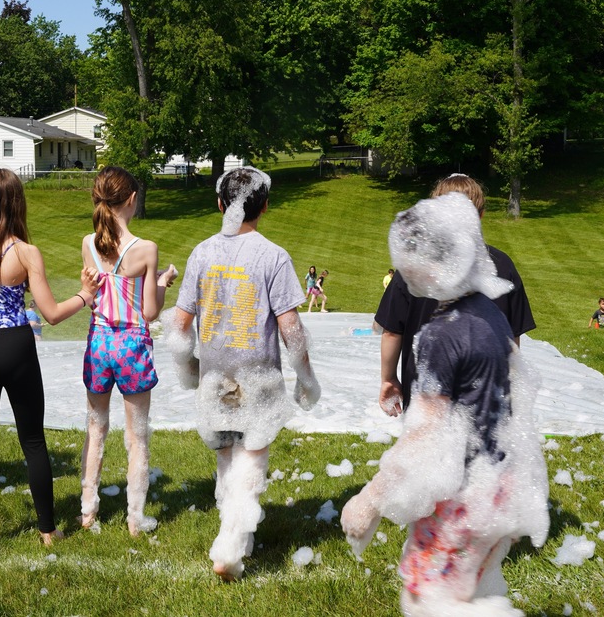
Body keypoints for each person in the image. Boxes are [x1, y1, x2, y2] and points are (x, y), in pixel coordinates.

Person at [341, 193, 549, 615]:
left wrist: (370, 500)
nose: (403, 269)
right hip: (501, 485)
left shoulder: (442, 335)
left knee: (425, 599)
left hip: (463, 497)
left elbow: (427, 434)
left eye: (408, 260)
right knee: (473, 592)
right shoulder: (489, 315)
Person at [164, 166, 320, 580]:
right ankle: (230, 548)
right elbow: (292, 331)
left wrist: (189, 369)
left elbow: (178, 327)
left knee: (227, 461)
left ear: (219, 204)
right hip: (258, 381)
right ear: (265, 207)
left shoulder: (201, 253)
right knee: (251, 460)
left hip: (216, 379)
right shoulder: (273, 256)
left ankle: (235, 535)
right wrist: (307, 379)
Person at [0, 168, 98, 562]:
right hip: (17, 346)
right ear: (16, 203)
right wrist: (85, 294)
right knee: (32, 441)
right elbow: (52, 313)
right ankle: (47, 531)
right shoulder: (26, 252)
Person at [375, 174, 536, 417]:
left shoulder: (412, 267)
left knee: (426, 449)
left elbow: (391, 331)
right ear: (480, 216)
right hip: (486, 394)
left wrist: (388, 379)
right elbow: (512, 338)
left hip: (425, 390)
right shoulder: (502, 266)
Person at [79, 166, 177, 537]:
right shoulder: (146, 249)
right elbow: (150, 312)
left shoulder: (88, 244)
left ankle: (88, 510)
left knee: (95, 427)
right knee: (137, 436)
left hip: (99, 342)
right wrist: (163, 282)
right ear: (132, 200)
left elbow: (93, 294)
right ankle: (135, 519)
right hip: (132, 344)